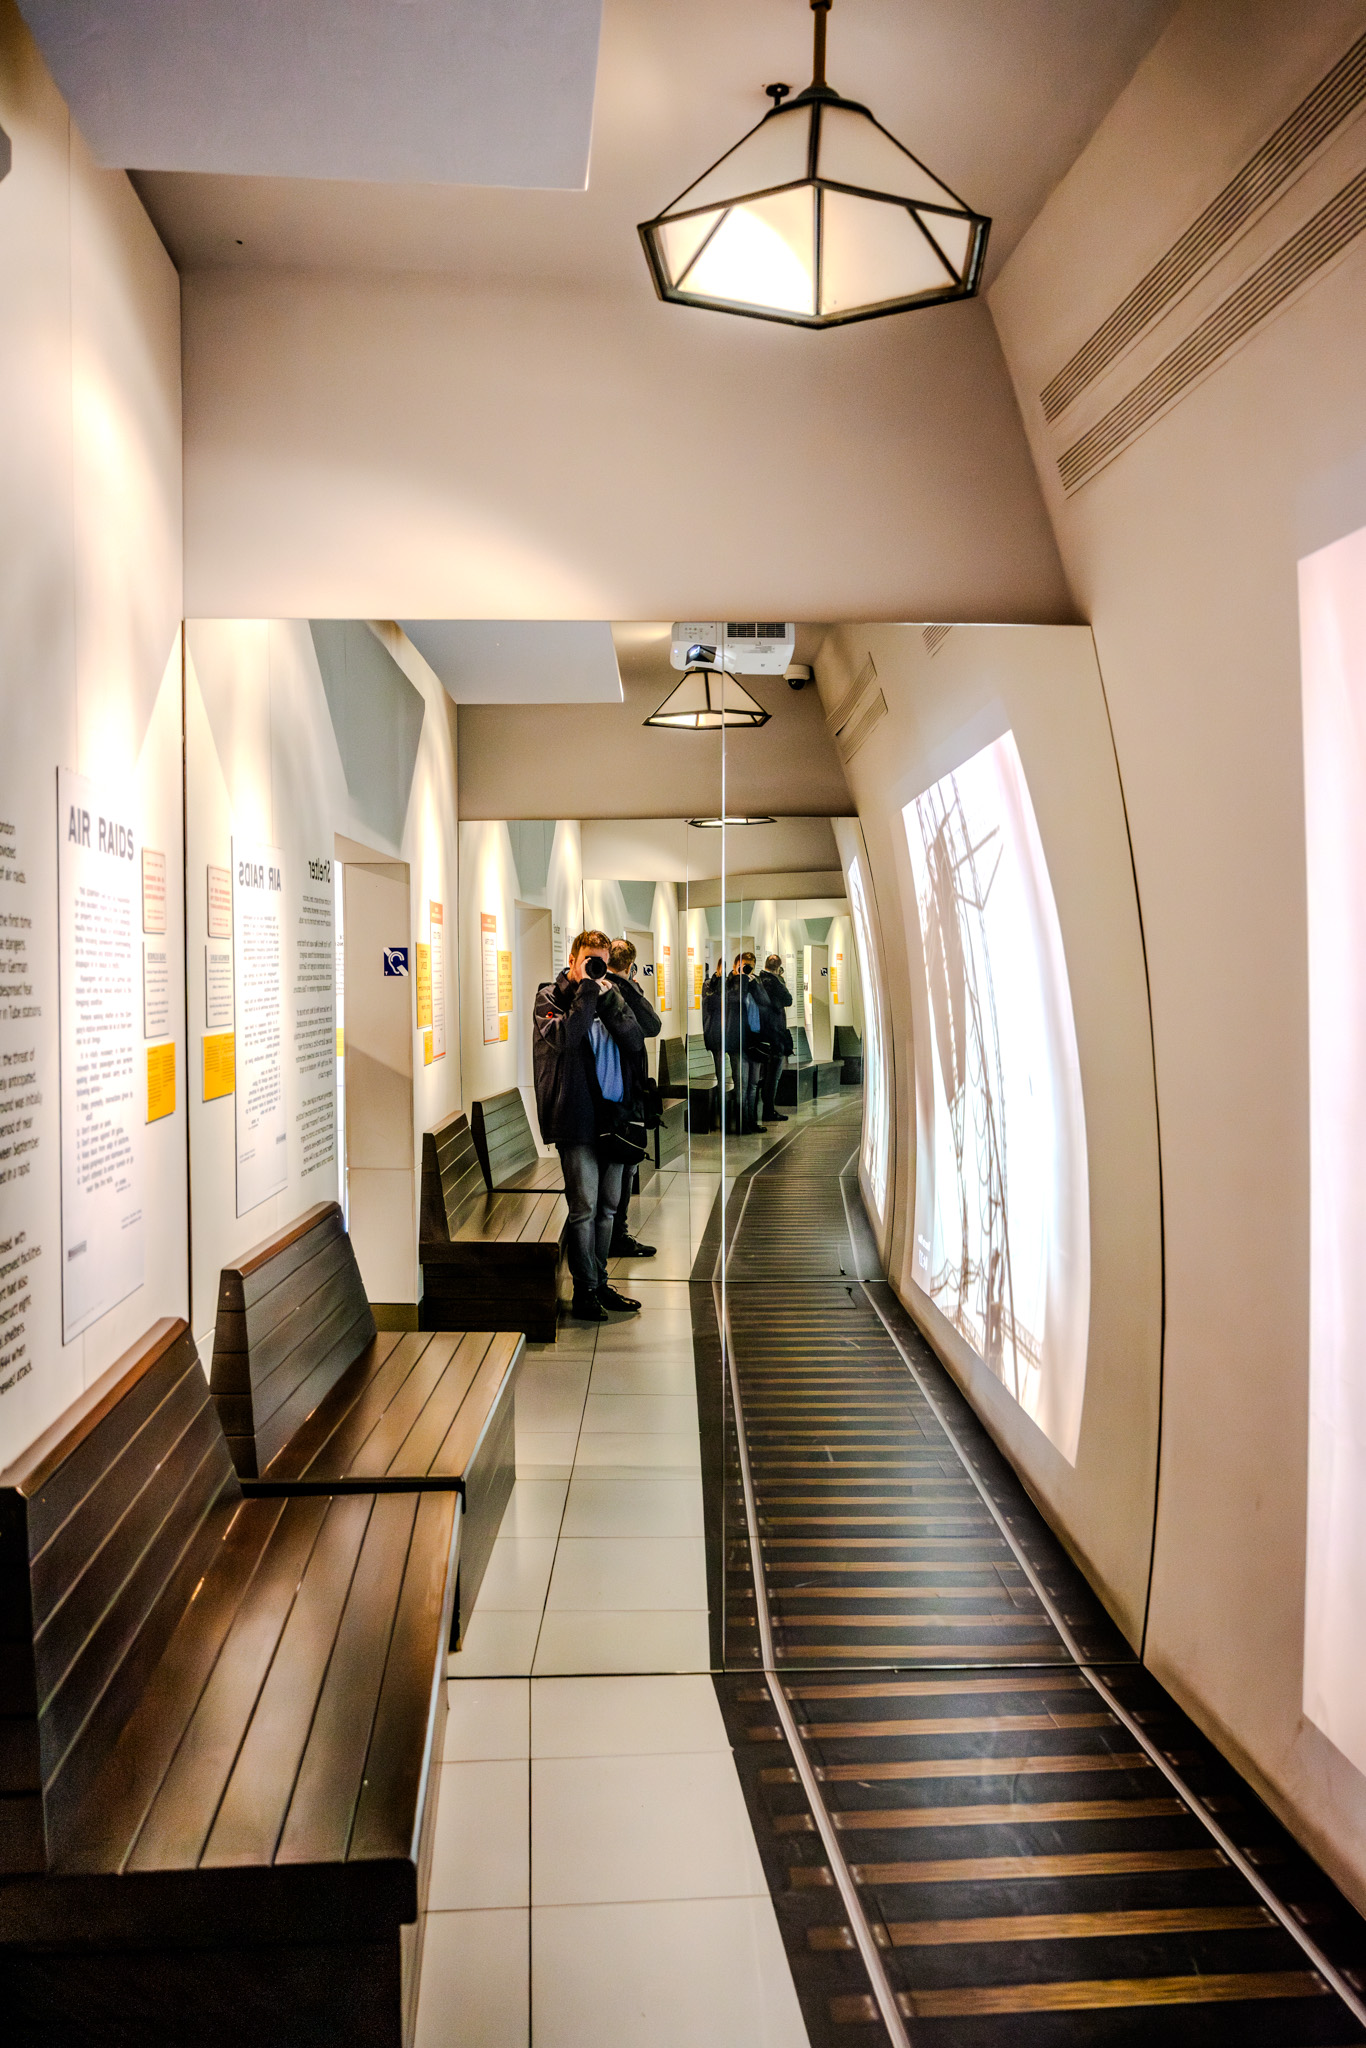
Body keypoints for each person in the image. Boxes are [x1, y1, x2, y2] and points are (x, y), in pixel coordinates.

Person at [532, 928, 645, 1322]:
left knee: (609, 1208)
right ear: (573, 959)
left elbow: (637, 1038)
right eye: (589, 961)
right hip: (576, 1120)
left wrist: (611, 996)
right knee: (584, 1208)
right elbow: (565, 1036)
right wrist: (585, 992)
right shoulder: (550, 997)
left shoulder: (610, 994)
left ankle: (599, 1283)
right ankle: (584, 1292)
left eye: (601, 962)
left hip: (615, 1117)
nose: (596, 968)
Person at [606, 937, 660, 1260]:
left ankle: (615, 1234)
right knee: (625, 1166)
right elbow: (652, 1025)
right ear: (630, 965)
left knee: (623, 1167)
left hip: (615, 1089)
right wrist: (630, 987)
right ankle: (617, 1235)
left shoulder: (602, 990)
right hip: (623, 1092)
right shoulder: (618, 991)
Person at [725, 950, 770, 1135]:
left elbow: (765, 1002)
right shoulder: (729, 983)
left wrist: (753, 983)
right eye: (743, 966)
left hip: (755, 1040)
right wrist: (741, 979)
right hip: (738, 1041)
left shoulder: (755, 982)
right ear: (736, 966)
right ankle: (741, 1122)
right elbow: (734, 1000)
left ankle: (752, 1121)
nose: (746, 969)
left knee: (753, 1084)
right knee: (741, 1085)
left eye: (749, 966)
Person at [756, 952, 794, 1123]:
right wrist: (781, 981)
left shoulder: (759, 981)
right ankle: (768, 1110)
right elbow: (788, 999)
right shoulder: (774, 982)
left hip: (762, 1034)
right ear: (778, 968)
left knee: (764, 1076)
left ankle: (763, 1109)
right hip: (775, 1033)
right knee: (773, 1076)